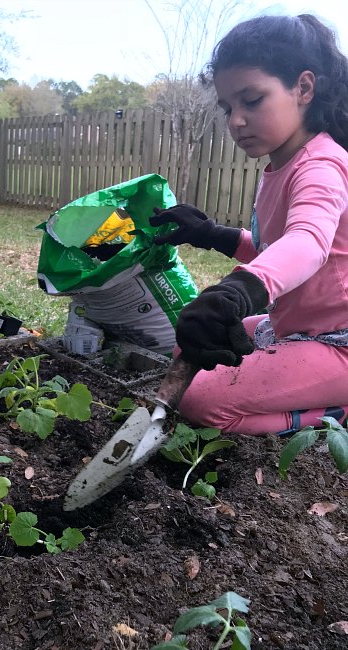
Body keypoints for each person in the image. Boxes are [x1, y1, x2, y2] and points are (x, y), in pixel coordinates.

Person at [150, 14, 348, 435]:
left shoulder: (322, 164)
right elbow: (281, 253)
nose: (236, 119)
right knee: (194, 347)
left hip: (339, 344)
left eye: (252, 100)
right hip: (297, 328)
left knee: (202, 402)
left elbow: (308, 244)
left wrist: (236, 291)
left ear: (304, 88)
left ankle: (335, 416)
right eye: (228, 107)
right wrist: (213, 235)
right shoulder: (282, 163)